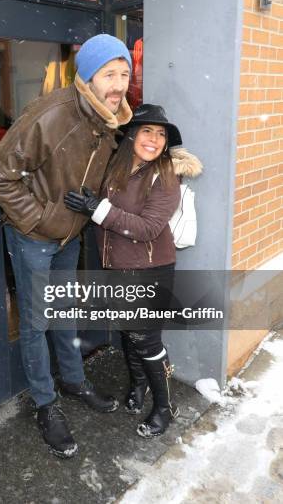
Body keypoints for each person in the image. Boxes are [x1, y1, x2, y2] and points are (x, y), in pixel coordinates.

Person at [0, 34, 133, 458]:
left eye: (124, 73)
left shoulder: (113, 119)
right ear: (87, 75)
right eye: (110, 73)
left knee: (65, 309)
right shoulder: (50, 114)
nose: (118, 82)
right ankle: (46, 404)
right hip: (34, 235)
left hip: (71, 234)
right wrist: (41, 219)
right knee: (36, 321)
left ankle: (73, 378)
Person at [64, 103, 202, 438]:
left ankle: (164, 408)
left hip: (150, 269)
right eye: (147, 131)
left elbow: (148, 228)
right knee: (129, 332)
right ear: (131, 136)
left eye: (161, 134)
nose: (154, 139)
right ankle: (139, 386)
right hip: (116, 267)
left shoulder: (165, 173)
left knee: (147, 339)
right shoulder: (116, 167)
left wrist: (98, 209)